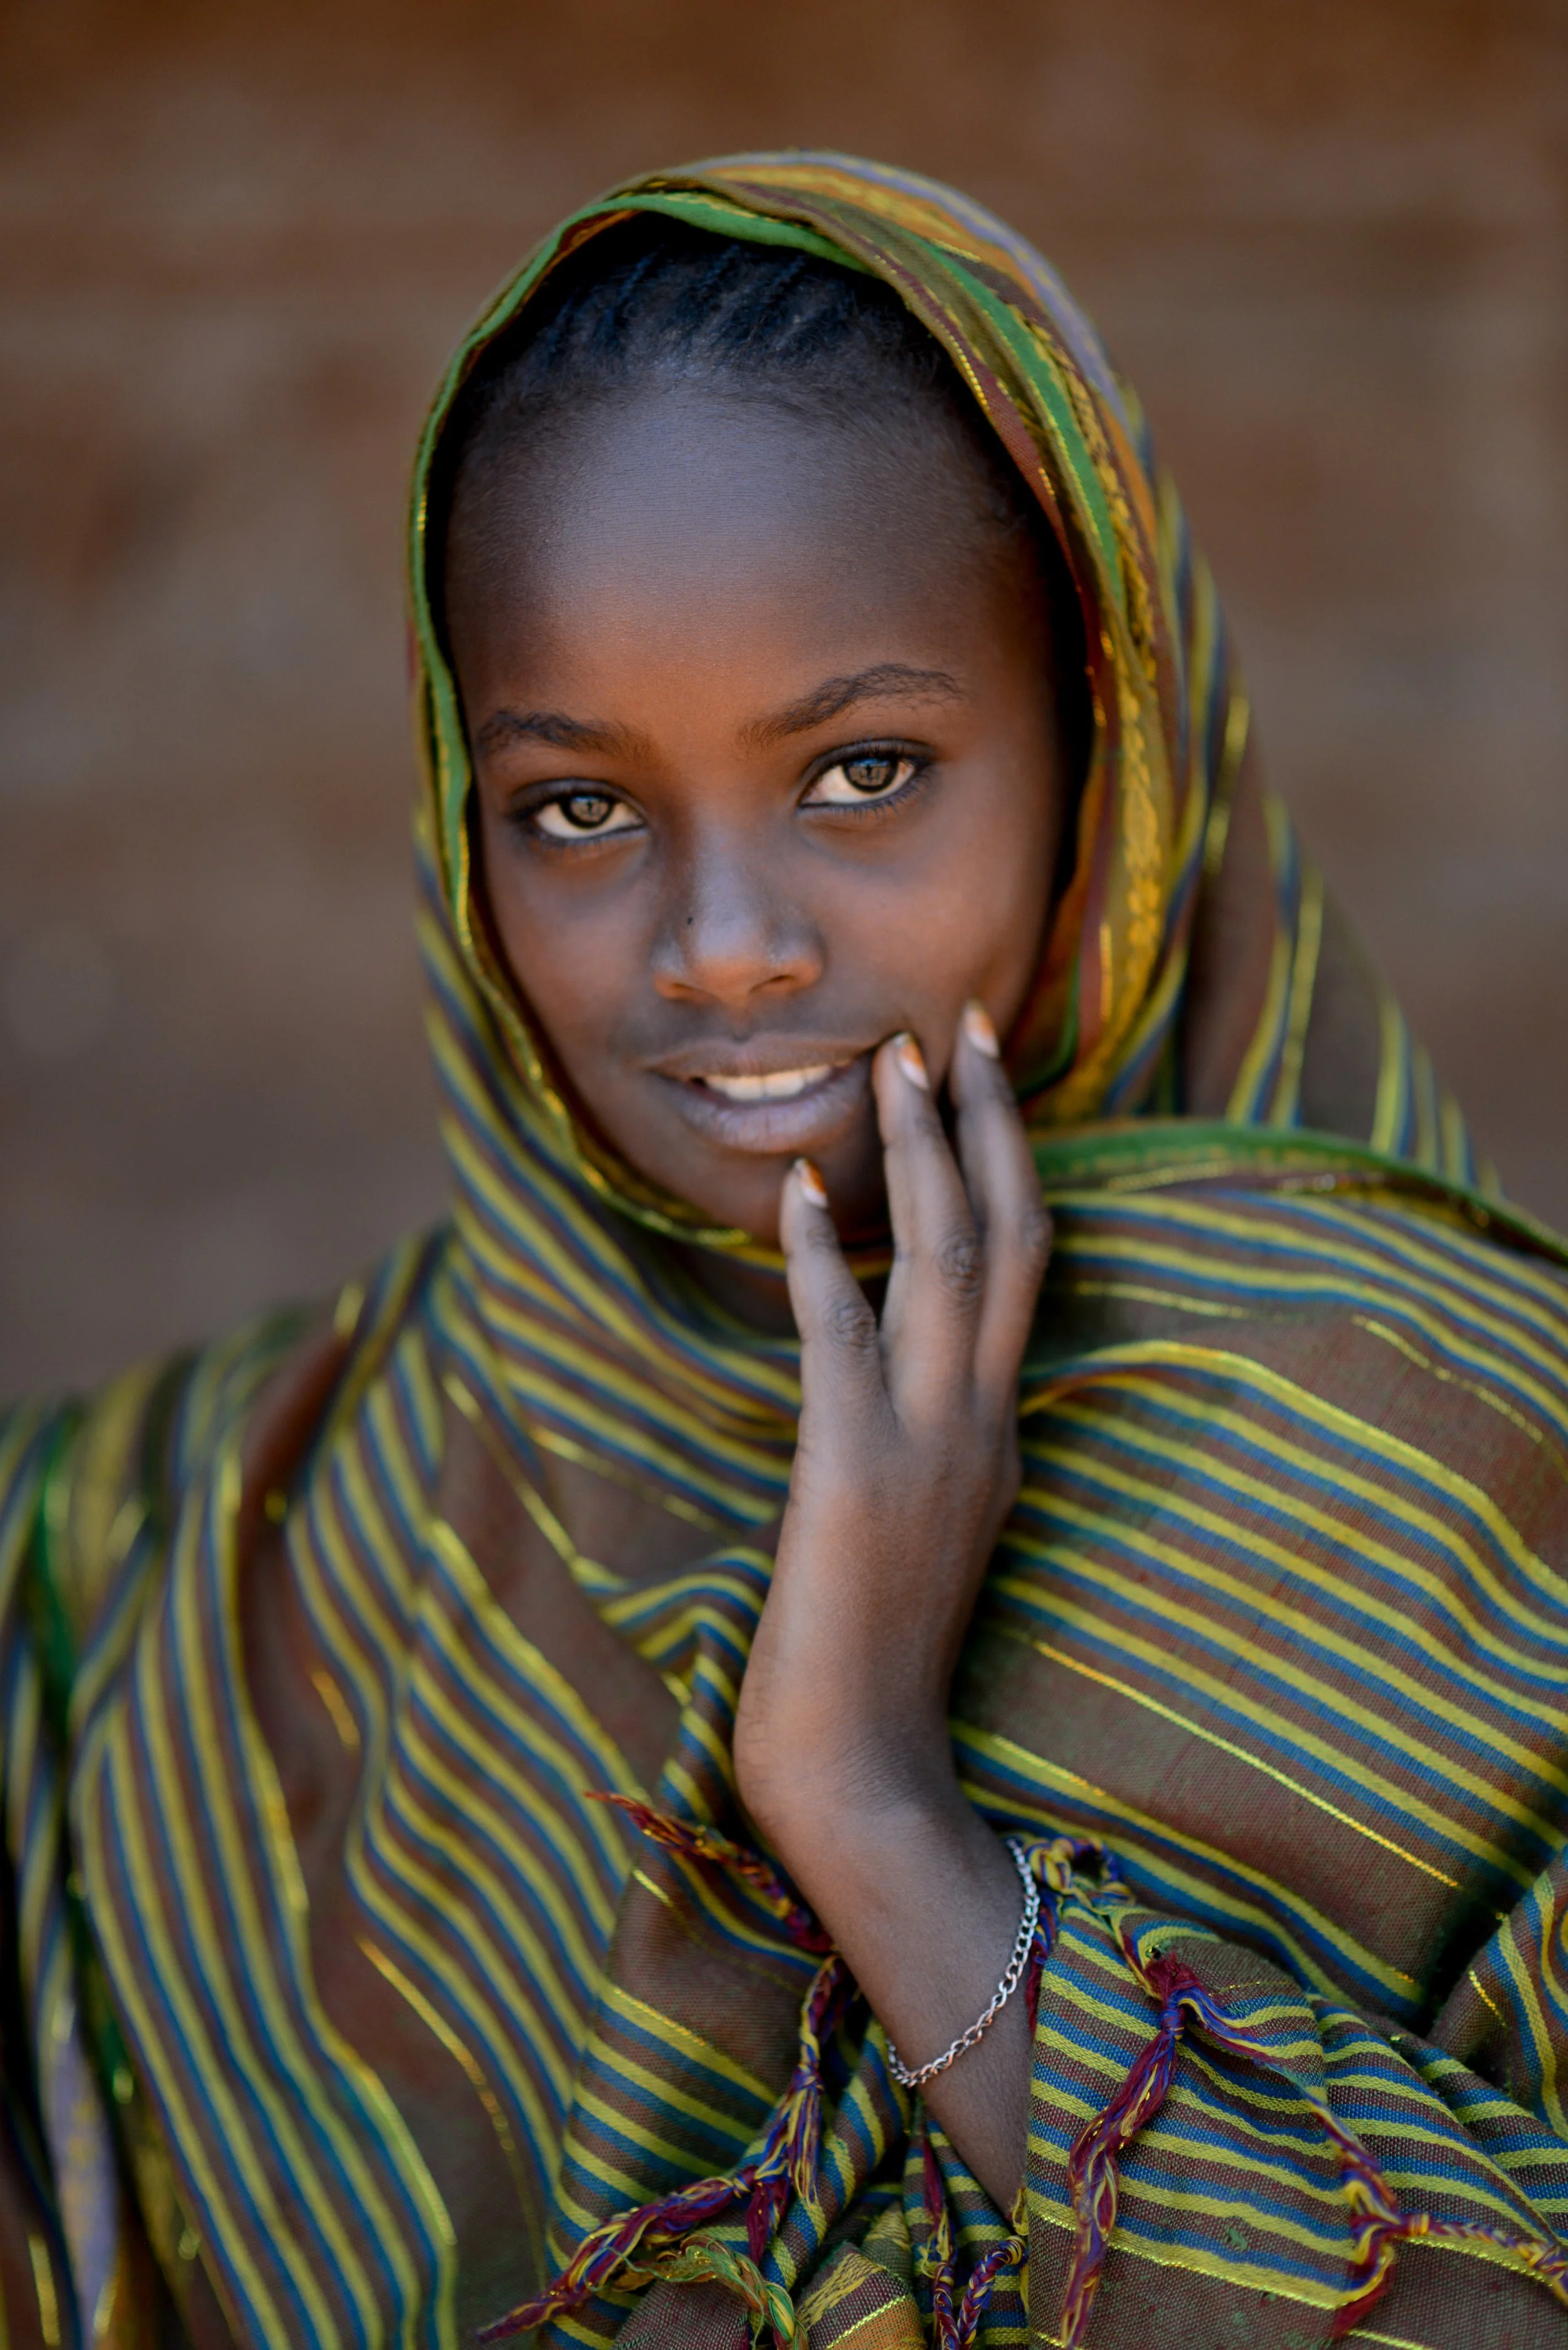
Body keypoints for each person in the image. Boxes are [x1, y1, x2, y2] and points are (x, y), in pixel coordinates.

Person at [2, 151, 1566, 2350]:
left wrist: (866, 1803)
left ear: (1102, 741)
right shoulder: (168, 1579)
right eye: (579, 807)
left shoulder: (1465, 1463)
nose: (722, 950)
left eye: (862, 772)